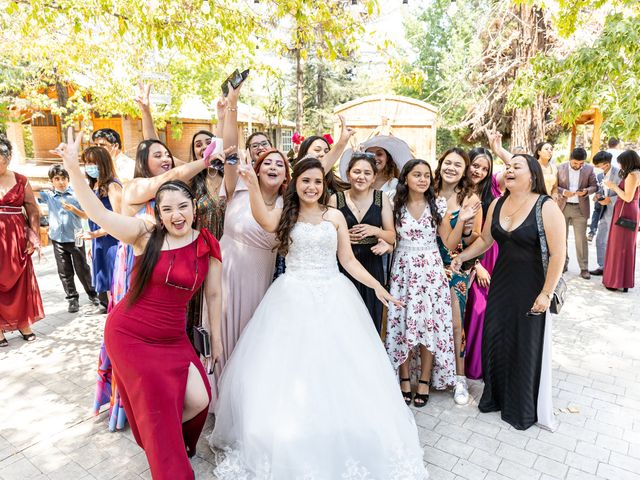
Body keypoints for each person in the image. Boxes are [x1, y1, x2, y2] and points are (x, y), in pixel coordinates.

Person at [210, 156, 428, 479]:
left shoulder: (335, 216)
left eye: (317, 181)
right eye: (305, 181)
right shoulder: (286, 213)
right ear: (295, 183)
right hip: (290, 299)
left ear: (323, 185)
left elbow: (350, 262)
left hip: (334, 295)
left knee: (341, 371)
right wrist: (254, 185)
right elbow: (262, 218)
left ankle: (338, 434)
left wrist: (377, 286)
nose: (312, 187)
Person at [57, 128, 223, 480]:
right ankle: (170, 459)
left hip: (173, 338)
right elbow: (98, 215)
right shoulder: (144, 235)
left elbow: (213, 296)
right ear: (159, 213)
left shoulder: (207, 242)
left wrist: (218, 342)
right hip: (130, 335)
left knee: (199, 399)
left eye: (182, 207)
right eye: (167, 209)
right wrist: (74, 170)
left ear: (193, 206)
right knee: (161, 412)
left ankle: (165, 439)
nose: (176, 215)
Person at [452, 154, 565, 431]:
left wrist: (546, 293)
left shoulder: (546, 206)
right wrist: (461, 258)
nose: (510, 170)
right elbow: (487, 241)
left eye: (517, 167)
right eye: (508, 166)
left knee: (524, 344)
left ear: (532, 174)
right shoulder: (499, 203)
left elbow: (558, 253)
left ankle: (522, 408)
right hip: (501, 284)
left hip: (532, 286)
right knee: (496, 337)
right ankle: (495, 397)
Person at [385, 159, 469, 408]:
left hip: (431, 272)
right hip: (403, 270)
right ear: (406, 178)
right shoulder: (393, 202)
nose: (422, 179)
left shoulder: (438, 205)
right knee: (402, 322)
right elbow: (390, 236)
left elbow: (449, 243)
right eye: (416, 174)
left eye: (425, 175)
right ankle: (403, 377)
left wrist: (462, 219)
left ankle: (423, 379)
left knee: (428, 324)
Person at [213, 148, 290, 401]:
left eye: (280, 164)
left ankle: (240, 399)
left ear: (285, 176)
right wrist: (231, 108)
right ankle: (216, 397)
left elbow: (317, 169)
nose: (273, 167)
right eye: (267, 162)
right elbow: (231, 146)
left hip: (258, 278)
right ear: (257, 168)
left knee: (248, 337)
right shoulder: (239, 188)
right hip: (224, 273)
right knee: (219, 333)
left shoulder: (286, 206)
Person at [433, 147, 482, 405]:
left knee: (455, 323)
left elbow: (478, 237)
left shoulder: (470, 199)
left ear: (464, 171)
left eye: (458, 165)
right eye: (447, 163)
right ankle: (428, 374)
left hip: (454, 265)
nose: (451, 168)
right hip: (425, 263)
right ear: (441, 165)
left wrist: (466, 231)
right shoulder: (425, 190)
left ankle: (459, 378)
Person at [328, 152, 395, 333]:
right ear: (349, 173)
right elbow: (326, 233)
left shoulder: (382, 199)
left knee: (370, 320)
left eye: (367, 173)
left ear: (374, 177)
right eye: (357, 171)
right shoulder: (336, 199)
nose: (361, 177)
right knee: (343, 321)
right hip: (342, 265)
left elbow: (392, 236)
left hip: (371, 264)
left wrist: (375, 231)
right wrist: (341, 237)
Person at [66, 147, 122, 313]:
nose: (89, 166)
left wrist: (96, 234)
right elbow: (91, 215)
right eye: (87, 163)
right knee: (105, 283)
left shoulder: (112, 185)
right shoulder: (95, 186)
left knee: (115, 283)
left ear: (102, 163)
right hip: (99, 242)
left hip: (112, 241)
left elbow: (119, 218)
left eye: (93, 162)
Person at [0, 135, 44, 346]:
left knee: (21, 280)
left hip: (16, 239)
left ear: (7, 158)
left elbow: (33, 209)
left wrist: (33, 236)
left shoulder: (21, 180)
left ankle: (23, 323)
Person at [39, 165, 99, 313]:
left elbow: (86, 215)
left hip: (76, 236)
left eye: (63, 178)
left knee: (82, 268)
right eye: (57, 179)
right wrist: (45, 186)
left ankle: (93, 294)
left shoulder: (76, 195)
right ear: (51, 181)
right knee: (64, 271)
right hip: (57, 239)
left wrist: (73, 209)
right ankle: (72, 299)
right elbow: (30, 189)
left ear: (68, 179)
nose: (61, 182)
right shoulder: (49, 195)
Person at [464, 147, 501, 380]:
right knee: (473, 308)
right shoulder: (456, 191)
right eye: (475, 165)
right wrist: (475, 264)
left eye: (484, 168)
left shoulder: (493, 194)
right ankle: (464, 363)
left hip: (489, 254)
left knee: (483, 309)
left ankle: (478, 364)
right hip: (469, 256)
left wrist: (498, 150)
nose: (479, 171)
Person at [556, 147, 598, 279]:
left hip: (580, 209)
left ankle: (584, 268)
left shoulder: (589, 169)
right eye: (575, 163)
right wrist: (563, 192)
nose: (578, 166)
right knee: (562, 238)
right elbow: (553, 186)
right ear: (570, 159)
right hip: (562, 206)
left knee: (581, 240)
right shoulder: (559, 168)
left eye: (581, 164)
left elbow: (594, 186)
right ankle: (563, 264)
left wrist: (586, 191)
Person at [603, 150, 640, 292]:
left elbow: (627, 197)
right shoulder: (637, 173)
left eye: (622, 163)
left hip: (625, 211)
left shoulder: (632, 175)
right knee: (627, 246)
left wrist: (613, 186)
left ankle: (615, 281)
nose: (621, 166)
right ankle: (624, 281)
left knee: (618, 246)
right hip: (633, 210)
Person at [589, 152, 622, 276]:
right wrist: (598, 195)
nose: (598, 167)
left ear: (607, 163)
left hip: (618, 210)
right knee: (601, 239)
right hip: (605, 211)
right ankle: (602, 266)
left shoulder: (620, 174)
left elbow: (627, 194)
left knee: (614, 241)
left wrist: (611, 200)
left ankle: (613, 268)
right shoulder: (599, 176)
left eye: (599, 165)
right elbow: (601, 190)